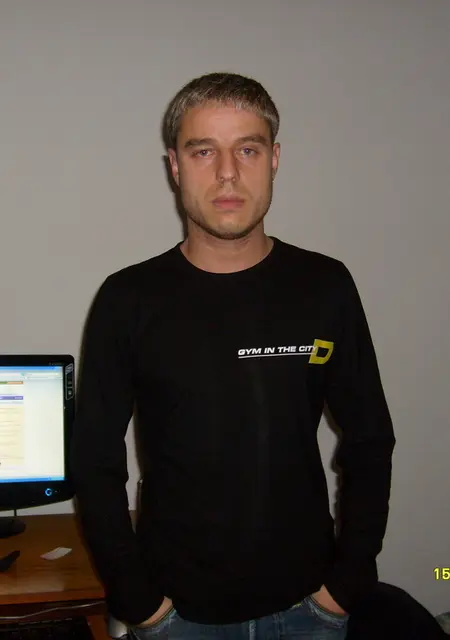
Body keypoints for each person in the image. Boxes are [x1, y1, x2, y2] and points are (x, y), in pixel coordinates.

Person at [70, 72, 396, 639]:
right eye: (204, 151)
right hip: (177, 616)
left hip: (312, 608)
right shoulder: (128, 299)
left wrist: (348, 583)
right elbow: (95, 460)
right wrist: (139, 600)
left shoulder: (325, 286)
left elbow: (370, 438)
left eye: (247, 149)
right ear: (175, 166)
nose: (227, 172)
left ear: (275, 159)